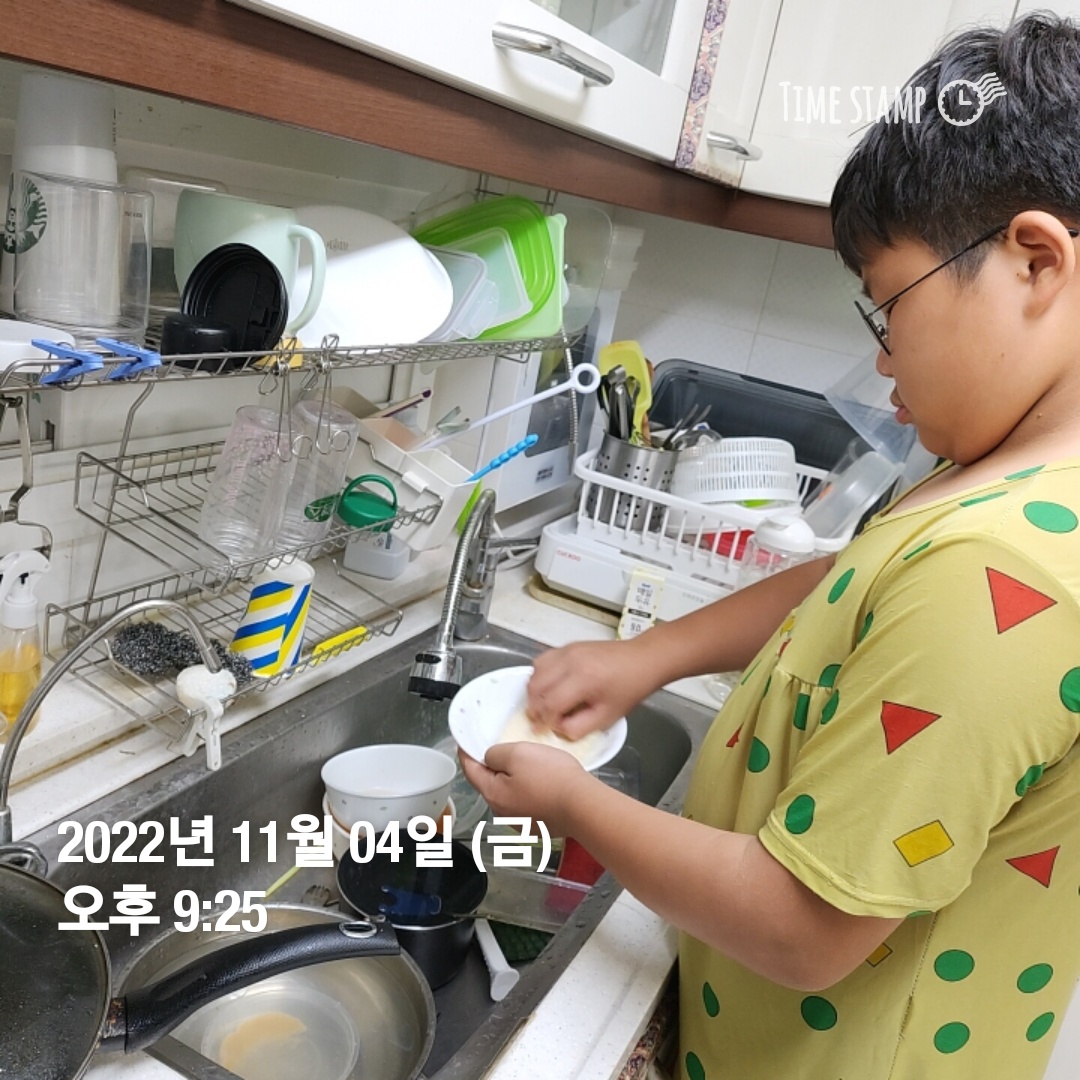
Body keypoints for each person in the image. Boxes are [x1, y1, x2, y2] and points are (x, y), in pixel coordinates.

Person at [460, 12, 1080, 1079]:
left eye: (889, 308)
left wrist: (571, 801)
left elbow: (803, 927)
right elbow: (852, 580)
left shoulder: (1007, 571)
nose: (882, 361)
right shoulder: (1001, 479)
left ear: (1034, 262)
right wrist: (646, 657)